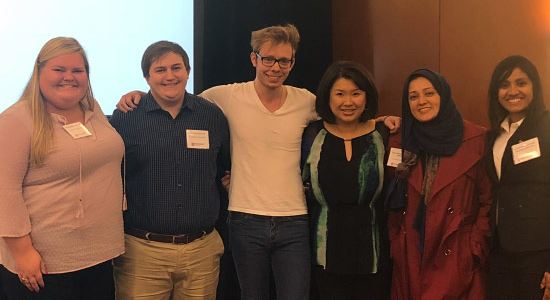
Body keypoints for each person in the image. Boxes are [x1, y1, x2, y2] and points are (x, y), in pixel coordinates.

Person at [116, 24, 400, 299]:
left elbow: (342, 115)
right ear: (254, 58)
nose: (276, 67)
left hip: (294, 221)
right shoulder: (225, 96)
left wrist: (379, 122)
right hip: (244, 219)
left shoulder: (307, 101)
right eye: (268, 59)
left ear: (292, 63)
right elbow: (176, 98)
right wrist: (142, 96)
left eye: (284, 61)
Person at [0, 37, 124, 299]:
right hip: (46, 265)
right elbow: (4, 191)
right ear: (39, 71)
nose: (69, 77)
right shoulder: (17, 119)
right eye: (59, 69)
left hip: (99, 256)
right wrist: (22, 252)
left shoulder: (93, 108)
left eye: (77, 70)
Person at [109, 40, 230, 299]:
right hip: (142, 253)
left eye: (176, 68)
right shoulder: (126, 118)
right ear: (147, 77)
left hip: (201, 252)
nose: (170, 76)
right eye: (160, 70)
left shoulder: (211, 116)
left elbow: (222, 170)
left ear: (188, 71)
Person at [386, 69, 492, 299]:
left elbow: (488, 201)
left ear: (442, 95)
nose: (421, 101)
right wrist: (396, 241)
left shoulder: (475, 139)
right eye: (413, 97)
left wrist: (474, 247)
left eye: (429, 93)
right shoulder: (400, 139)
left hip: (456, 255)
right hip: (411, 253)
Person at [301, 61, 391, 299]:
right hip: (325, 253)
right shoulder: (312, 135)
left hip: (374, 252)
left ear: (367, 96)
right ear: (327, 97)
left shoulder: (384, 134)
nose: (348, 102)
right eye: (340, 94)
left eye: (356, 93)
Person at [485, 55, 550, 300]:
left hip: (538, 251)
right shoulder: (494, 135)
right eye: (504, 85)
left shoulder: (547, 127)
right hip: (500, 250)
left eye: (521, 83)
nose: (513, 91)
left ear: (535, 86)